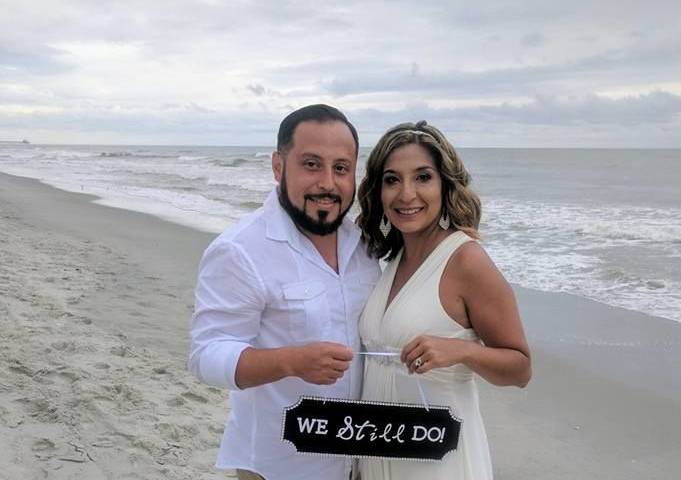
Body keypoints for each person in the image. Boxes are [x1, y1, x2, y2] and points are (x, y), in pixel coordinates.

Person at [188, 104, 380, 480]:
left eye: (341, 168)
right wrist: (291, 361)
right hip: (279, 466)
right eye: (311, 164)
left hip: (358, 460)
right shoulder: (241, 250)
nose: (327, 182)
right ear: (279, 166)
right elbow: (206, 355)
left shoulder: (366, 245)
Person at [355, 121, 531, 479]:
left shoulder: (467, 260)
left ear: (444, 184)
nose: (407, 194)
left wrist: (462, 351)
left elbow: (520, 368)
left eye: (422, 177)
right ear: (379, 189)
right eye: (392, 179)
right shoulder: (391, 262)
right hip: (378, 456)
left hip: (437, 464)